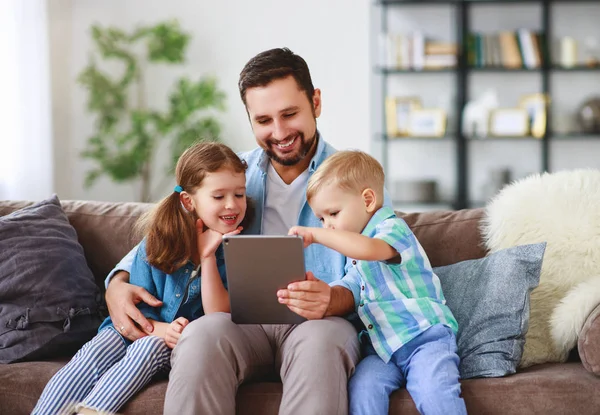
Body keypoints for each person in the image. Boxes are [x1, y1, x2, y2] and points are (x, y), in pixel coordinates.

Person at [103, 47, 392, 415]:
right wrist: (117, 282)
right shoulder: (232, 178)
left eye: (290, 114)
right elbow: (173, 226)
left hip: (320, 324)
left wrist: (334, 299)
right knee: (202, 335)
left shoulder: (357, 178)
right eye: (264, 120)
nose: (280, 132)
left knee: (322, 344)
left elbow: (383, 262)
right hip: (240, 323)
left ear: (315, 102)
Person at [33, 142, 249, 415]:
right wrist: (160, 329)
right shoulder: (159, 242)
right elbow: (136, 307)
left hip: (174, 347)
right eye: (219, 197)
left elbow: (220, 315)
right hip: (136, 329)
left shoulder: (236, 250)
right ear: (188, 201)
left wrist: (207, 258)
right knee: (93, 353)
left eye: (239, 194)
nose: (232, 205)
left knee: (146, 349)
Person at [289, 150, 467, 415]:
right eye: (321, 220)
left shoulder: (392, 229)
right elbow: (351, 287)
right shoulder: (353, 257)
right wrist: (321, 293)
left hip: (424, 338)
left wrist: (315, 235)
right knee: (362, 390)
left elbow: (370, 249)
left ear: (368, 200)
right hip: (382, 349)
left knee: (434, 391)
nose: (327, 226)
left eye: (333, 214)